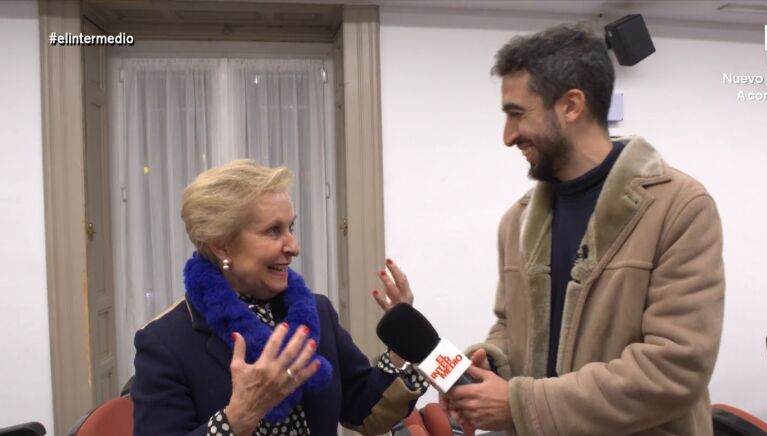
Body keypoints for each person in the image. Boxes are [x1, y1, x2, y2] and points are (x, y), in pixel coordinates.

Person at [443, 24, 725, 435]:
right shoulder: (516, 222)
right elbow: (509, 325)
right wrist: (490, 366)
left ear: (571, 106)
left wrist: (520, 404)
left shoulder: (680, 208)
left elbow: (675, 369)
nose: (508, 136)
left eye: (517, 114)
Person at [132, 159, 427, 436]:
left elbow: (364, 410)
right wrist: (235, 420)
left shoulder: (317, 312)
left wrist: (401, 349)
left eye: (291, 227)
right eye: (274, 231)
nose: (294, 247)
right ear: (222, 246)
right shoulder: (164, 342)